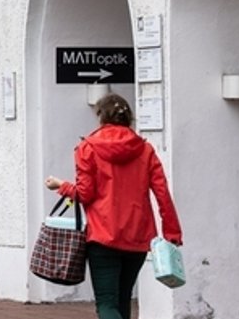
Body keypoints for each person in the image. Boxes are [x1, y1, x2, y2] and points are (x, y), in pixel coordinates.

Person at [44, 94, 181, 319]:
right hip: (137, 237)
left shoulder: (87, 148)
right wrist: (172, 233)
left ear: (101, 117)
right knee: (122, 299)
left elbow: (85, 194)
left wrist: (61, 186)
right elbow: (162, 194)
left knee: (107, 304)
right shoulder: (145, 151)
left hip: (102, 236)